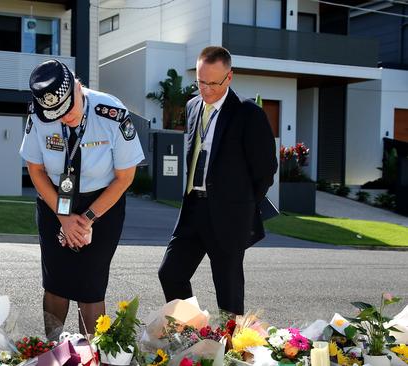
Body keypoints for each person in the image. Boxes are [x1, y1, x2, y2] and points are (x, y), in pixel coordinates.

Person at [20, 59, 144, 337]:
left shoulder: (111, 112)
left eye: (68, 109)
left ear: (78, 87)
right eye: (56, 114)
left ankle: (90, 353)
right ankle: (53, 349)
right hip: (55, 200)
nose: (64, 118)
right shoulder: (38, 114)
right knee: (55, 282)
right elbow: (36, 170)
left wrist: (86, 220)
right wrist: (63, 217)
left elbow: (124, 178)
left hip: (102, 204)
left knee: (91, 284)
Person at [158, 46, 277, 317]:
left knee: (228, 291)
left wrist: (242, 205)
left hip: (229, 215)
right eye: (201, 81)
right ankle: (191, 334)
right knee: (170, 273)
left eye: (213, 83)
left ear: (229, 77)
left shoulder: (248, 113)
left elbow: (266, 170)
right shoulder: (191, 107)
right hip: (193, 210)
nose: (206, 89)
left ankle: (230, 350)